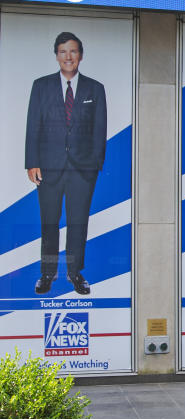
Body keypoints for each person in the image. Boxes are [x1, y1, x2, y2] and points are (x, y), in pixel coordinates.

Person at [25, 31, 107, 296]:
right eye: (63, 51)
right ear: (56, 55)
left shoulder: (95, 88)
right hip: (48, 167)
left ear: (80, 55)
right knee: (49, 221)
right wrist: (32, 162)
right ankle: (48, 273)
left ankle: (75, 273)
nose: (68, 56)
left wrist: (95, 164)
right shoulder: (41, 85)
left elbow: (99, 129)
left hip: (83, 169)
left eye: (73, 51)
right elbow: (32, 126)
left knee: (77, 222)